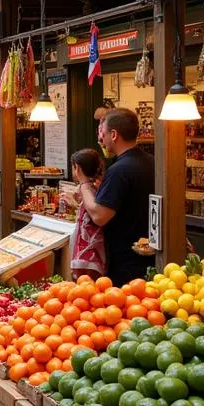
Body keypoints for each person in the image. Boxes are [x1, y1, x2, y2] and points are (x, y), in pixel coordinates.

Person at [78, 107, 154, 285]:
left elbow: (100, 216)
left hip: (127, 264)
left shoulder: (119, 170)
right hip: (150, 257)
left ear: (113, 134)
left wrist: (83, 185)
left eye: (102, 134)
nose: (100, 140)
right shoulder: (152, 161)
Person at [70, 149, 106, 279]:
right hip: (94, 251)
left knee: (86, 288)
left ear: (77, 168)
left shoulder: (86, 187)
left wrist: (83, 185)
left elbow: (93, 212)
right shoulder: (98, 186)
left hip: (88, 251)